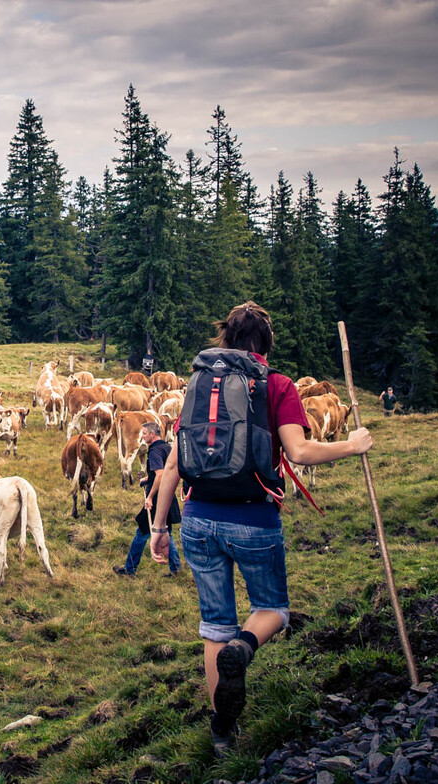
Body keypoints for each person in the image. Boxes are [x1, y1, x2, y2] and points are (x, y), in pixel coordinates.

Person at [148, 301, 372, 755]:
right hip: (253, 518)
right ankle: (246, 648)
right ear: (266, 343)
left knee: (214, 626)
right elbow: (301, 453)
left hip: (197, 520)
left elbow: (172, 464)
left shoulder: (196, 385)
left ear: (225, 338)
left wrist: (158, 527)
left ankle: (221, 734)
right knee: (273, 609)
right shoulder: (278, 385)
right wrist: (351, 446)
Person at [115, 420, 181, 577]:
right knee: (166, 532)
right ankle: (176, 568)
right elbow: (165, 472)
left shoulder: (154, 451)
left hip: (157, 498)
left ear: (153, 434)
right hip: (168, 495)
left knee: (142, 532)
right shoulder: (167, 447)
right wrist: (148, 478)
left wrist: (150, 497)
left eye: (144, 433)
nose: (142, 437)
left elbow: (160, 474)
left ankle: (130, 569)